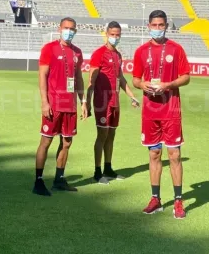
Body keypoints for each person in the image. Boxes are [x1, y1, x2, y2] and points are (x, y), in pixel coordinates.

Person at [132, 10, 191, 219]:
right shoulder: (140, 51)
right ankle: (155, 199)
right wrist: (143, 85)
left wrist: (169, 84)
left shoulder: (176, 49)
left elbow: (186, 77)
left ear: (166, 25)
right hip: (150, 111)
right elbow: (135, 79)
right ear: (148, 26)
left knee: (174, 155)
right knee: (154, 154)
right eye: (154, 25)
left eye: (161, 25)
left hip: (171, 110)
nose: (158, 28)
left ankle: (177, 201)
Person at [33, 17, 88, 196]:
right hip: (53, 105)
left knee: (66, 142)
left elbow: (78, 78)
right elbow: (42, 76)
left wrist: (83, 101)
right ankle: (39, 181)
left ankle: (59, 179)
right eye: (66, 28)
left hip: (70, 106)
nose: (69, 31)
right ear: (59, 29)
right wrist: (44, 102)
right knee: (46, 141)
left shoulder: (77, 52)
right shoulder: (49, 48)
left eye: (72, 29)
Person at [87, 21, 139, 185]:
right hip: (102, 102)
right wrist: (86, 102)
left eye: (118, 35)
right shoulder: (99, 54)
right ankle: (97, 171)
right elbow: (91, 80)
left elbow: (120, 78)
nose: (115, 37)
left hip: (115, 102)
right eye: (113, 34)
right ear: (106, 33)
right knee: (102, 135)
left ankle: (108, 168)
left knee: (111, 135)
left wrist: (131, 95)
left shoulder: (117, 55)